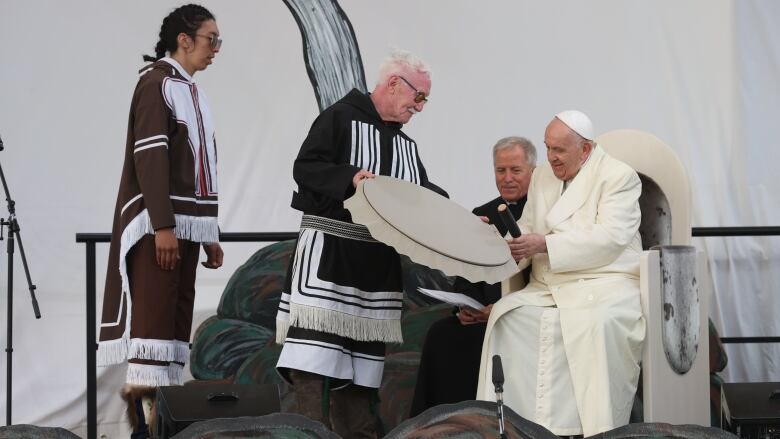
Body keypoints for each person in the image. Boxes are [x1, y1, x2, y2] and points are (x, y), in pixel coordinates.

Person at [274, 49, 435, 438]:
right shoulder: (338, 118)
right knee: (313, 364)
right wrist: (350, 178)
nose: (421, 107)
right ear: (395, 83)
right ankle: (312, 434)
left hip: (374, 271)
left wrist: (465, 223)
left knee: (361, 377)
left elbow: (425, 196)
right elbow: (306, 167)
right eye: (420, 97)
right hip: (329, 258)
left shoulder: (407, 148)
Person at [476, 111, 646, 437]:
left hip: (605, 280)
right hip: (549, 283)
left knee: (596, 323)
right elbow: (526, 227)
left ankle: (591, 429)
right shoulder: (543, 176)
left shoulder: (618, 177)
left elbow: (609, 238)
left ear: (585, 150)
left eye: (560, 150)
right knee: (506, 317)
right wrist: (500, 243)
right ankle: (514, 425)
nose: (551, 158)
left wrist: (545, 245)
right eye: (548, 148)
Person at [97, 4, 224, 436]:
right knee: (151, 335)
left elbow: (200, 169)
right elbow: (150, 157)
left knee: (172, 337)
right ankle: (142, 433)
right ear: (184, 40)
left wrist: (208, 234)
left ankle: (161, 429)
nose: (217, 49)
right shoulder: (156, 84)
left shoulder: (192, 90)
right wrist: (164, 225)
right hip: (158, 230)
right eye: (212, 39)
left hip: (183, 230)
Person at [409, 136, 536, 417]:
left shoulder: (543, 211)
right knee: (442, 335)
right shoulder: (482, 214)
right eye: (500, 171)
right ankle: (435, 424)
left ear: (533, 172)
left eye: (515, 170)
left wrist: (499, 310)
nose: (507, 178)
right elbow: (468, 273)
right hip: (481, 316)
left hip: (523, 314)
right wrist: (466, 308)